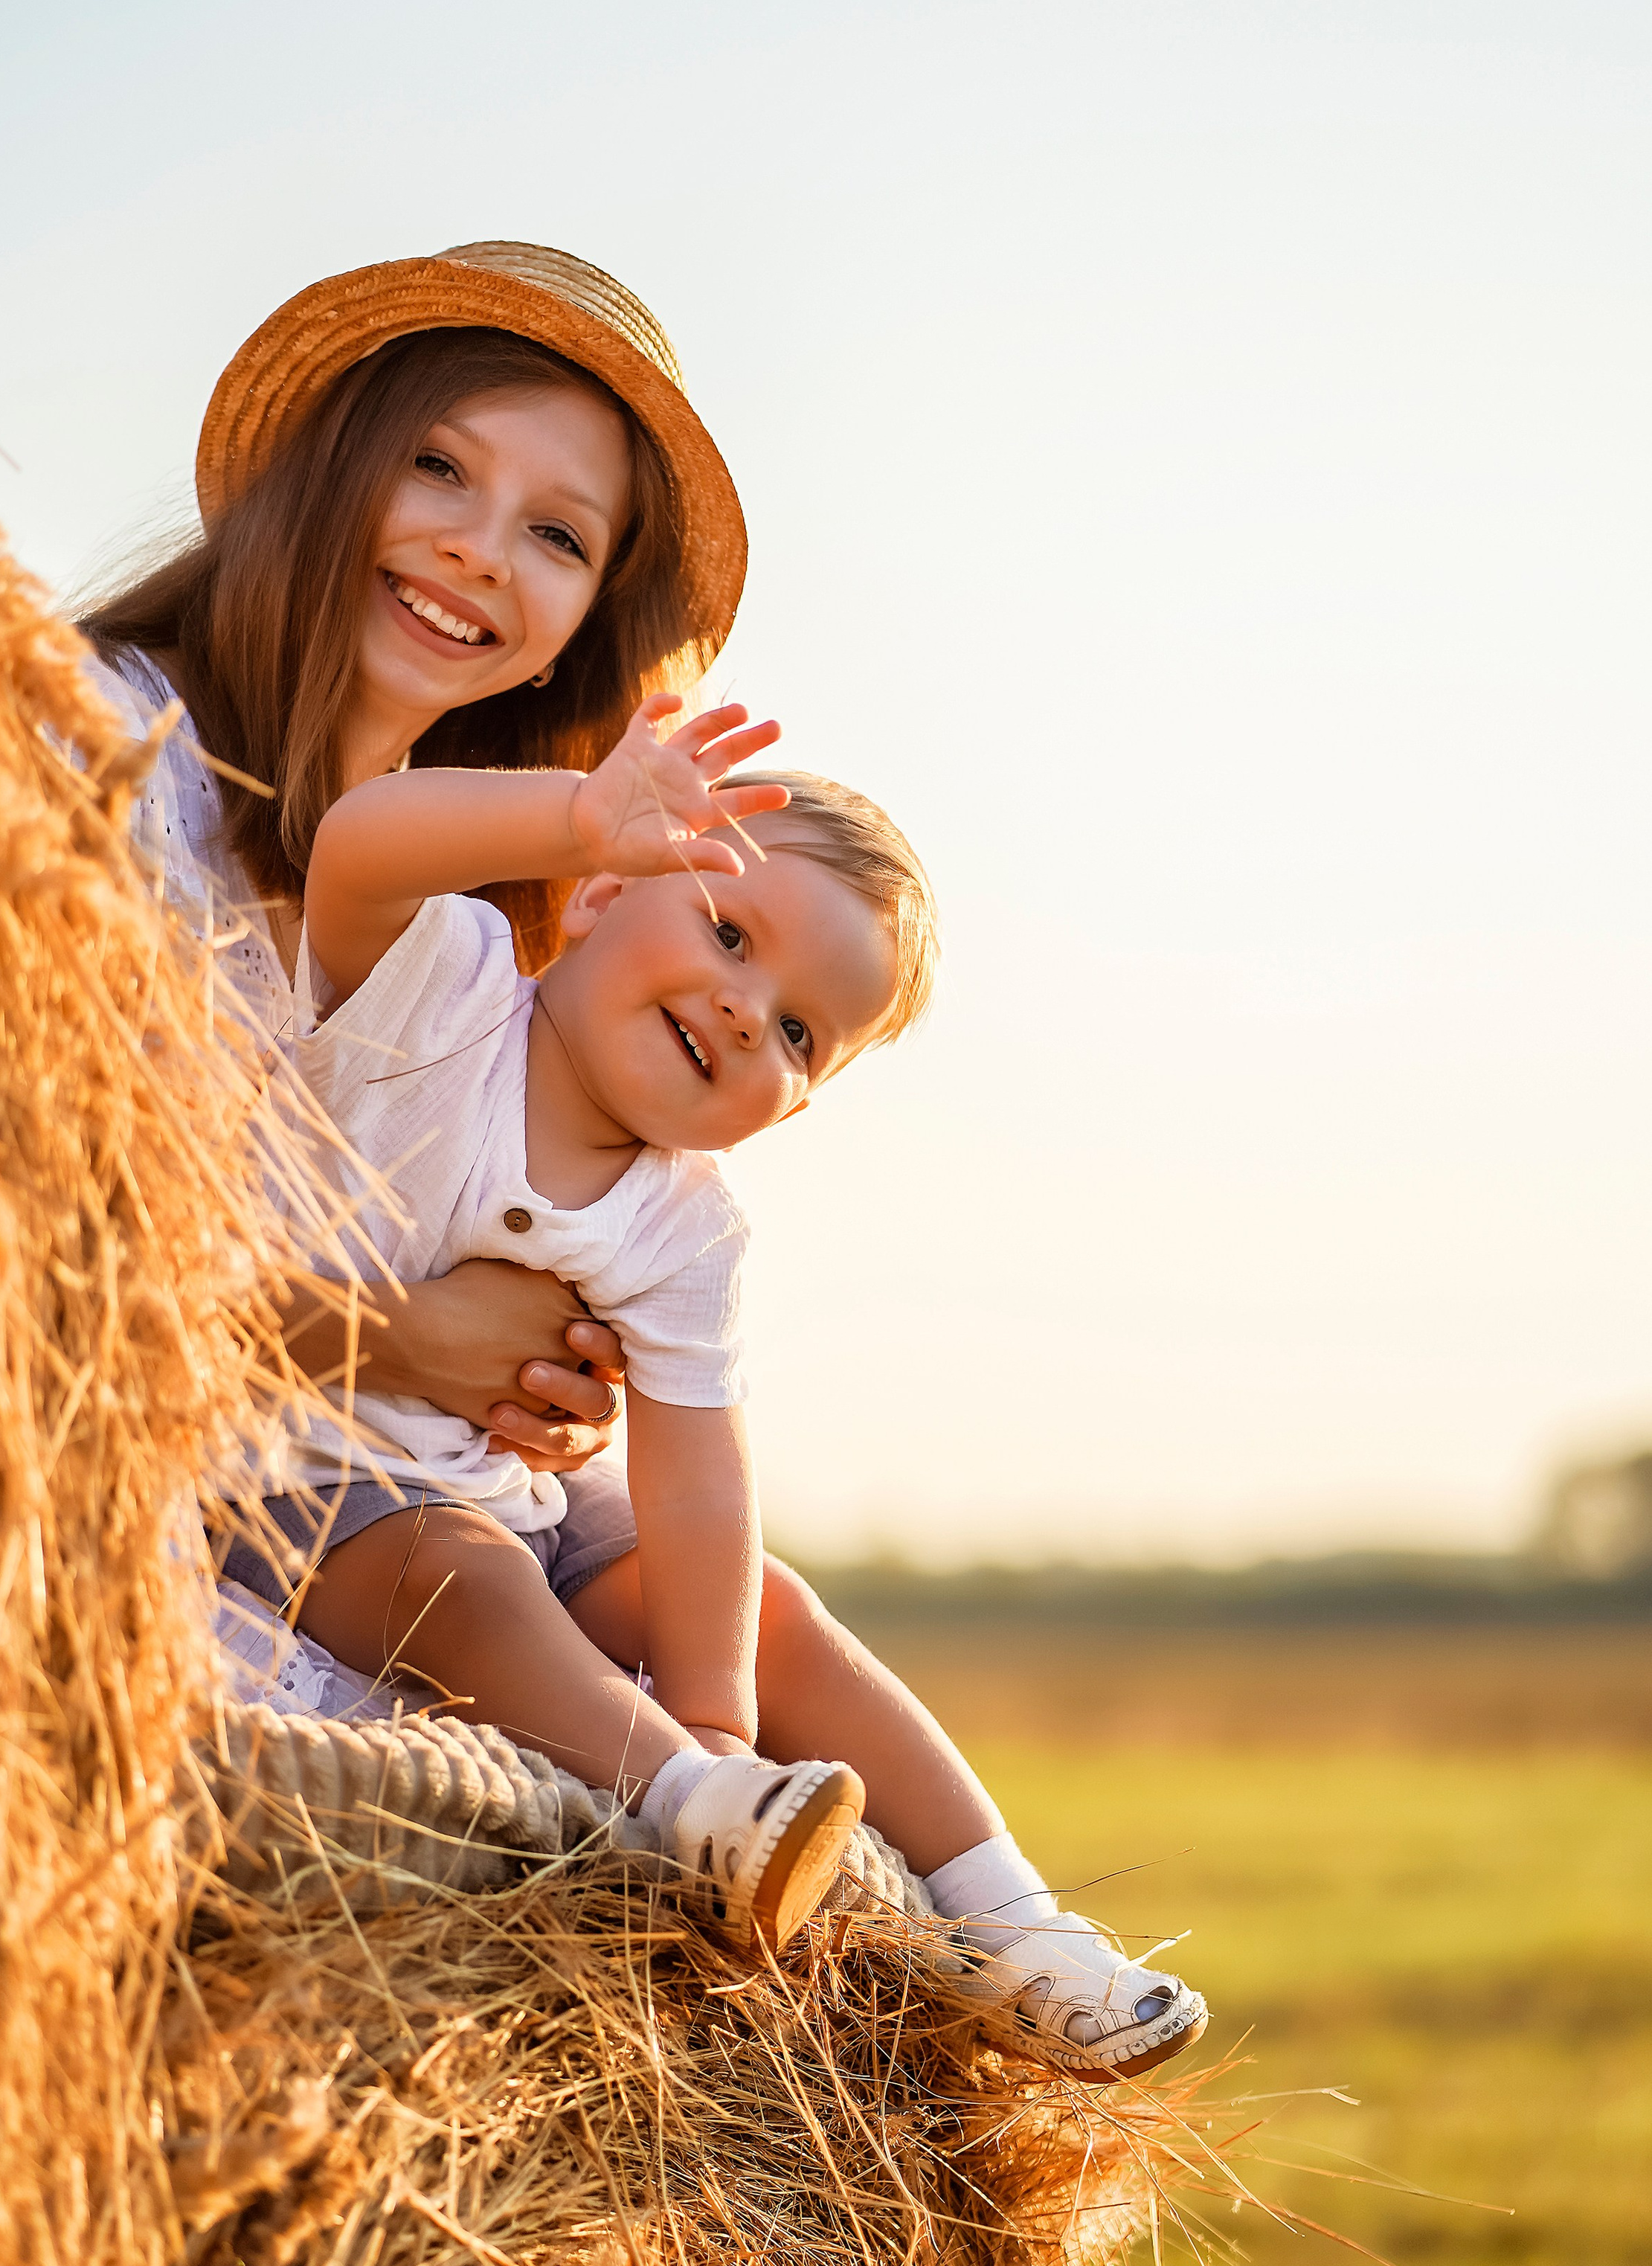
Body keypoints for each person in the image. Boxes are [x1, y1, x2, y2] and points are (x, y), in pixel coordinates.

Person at [84, 243, 1206, 2076]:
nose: (477, 549)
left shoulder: (671, 1199)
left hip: (489, 1504)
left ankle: (1000, 1918)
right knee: (462, 1583)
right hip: (282, 1491)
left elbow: (694, 1488)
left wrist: (722, 1711)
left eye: (556, 534)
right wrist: (408, 1337)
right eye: (438, 465)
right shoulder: (380, 928)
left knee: (762, 1608)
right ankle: (685, 1802)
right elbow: (341, 869)